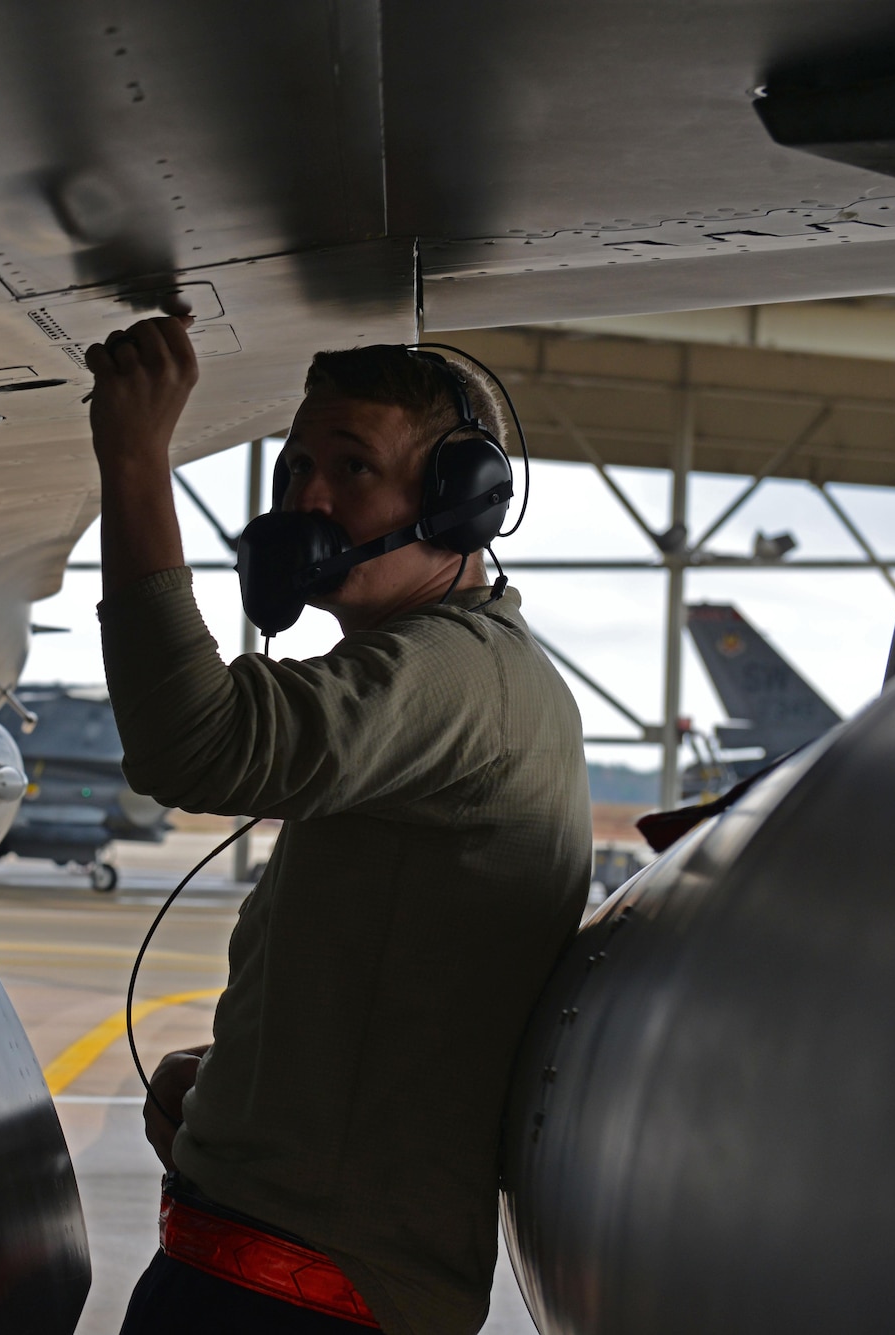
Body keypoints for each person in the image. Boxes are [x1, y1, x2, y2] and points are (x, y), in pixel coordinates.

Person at [85, 316, 591, 1335]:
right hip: (273, 1275)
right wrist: (243, 1087)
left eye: (351, 467)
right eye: (297, 466)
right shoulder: (440, 680)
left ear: (459, 504)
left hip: (293, 1296)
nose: (307, 500)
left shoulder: (457, 674)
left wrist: (135, 460)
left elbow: (198, 743)